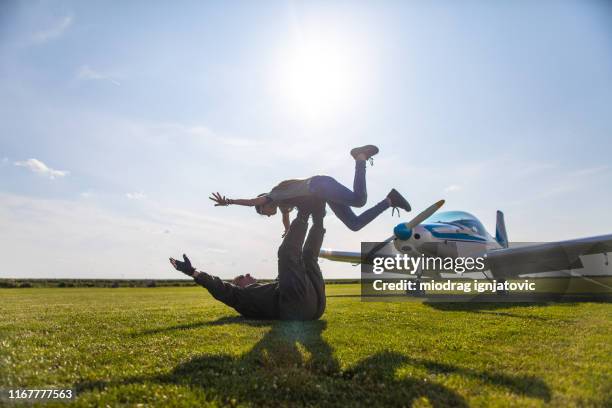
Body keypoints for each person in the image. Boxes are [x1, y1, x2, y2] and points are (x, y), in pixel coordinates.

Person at [169, 198, 327, 320]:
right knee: (286, 254)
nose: (247, 274)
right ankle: (304, 212)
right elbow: (220, 288)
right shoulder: (242, 298)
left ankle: (318, 216)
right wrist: (192, 272)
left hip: (317, 306)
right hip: (298, 308)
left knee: (308, 258)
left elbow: (287, 276)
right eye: (241, 278)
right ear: (239, 286)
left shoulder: (269, 289)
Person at [209, 145, 411, 236]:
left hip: (320, 186)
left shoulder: (274, 194)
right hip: (323, 191)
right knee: (354, 224)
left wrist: (230, 201)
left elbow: (254, 201)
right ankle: (390, 201)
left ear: (265, 203)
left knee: (359, 201)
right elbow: (285, 219)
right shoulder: (283, 205)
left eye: (264, 212)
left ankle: (360, 157)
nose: (267, 215)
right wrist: (287, 232)